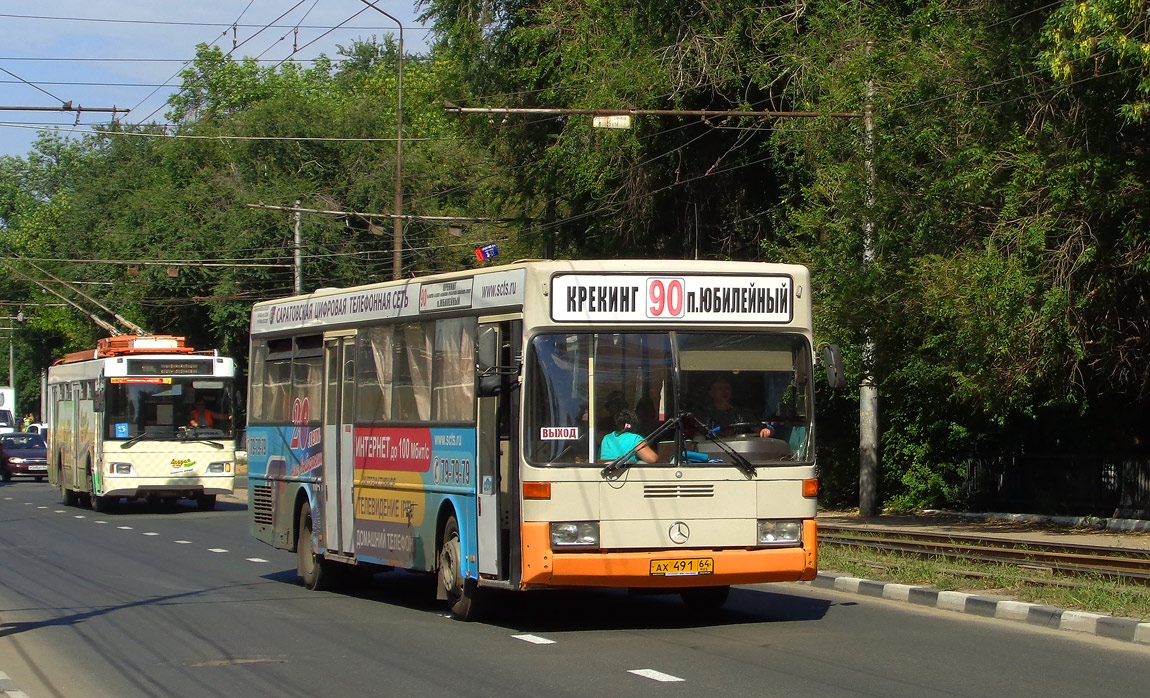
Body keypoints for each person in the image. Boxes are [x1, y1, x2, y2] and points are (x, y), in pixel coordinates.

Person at [700, 377, 774, 438]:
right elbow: (699, 438)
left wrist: (765, 431)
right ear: (711, 393)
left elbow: (759, 428)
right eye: (720, 389)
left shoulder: (743, 414)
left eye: (726, 388)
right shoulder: (705, 416)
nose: (724, 391)